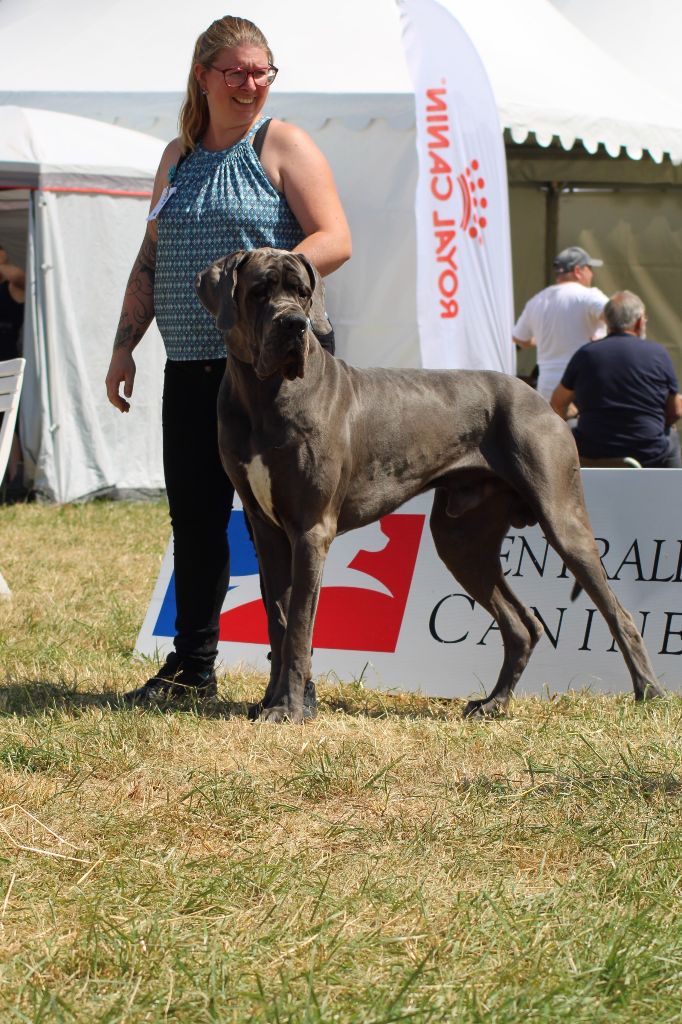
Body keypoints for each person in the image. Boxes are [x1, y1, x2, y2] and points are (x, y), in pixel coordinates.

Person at [105, 15, 351, 707]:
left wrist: (267, 275)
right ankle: (192, 668)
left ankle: (288, 674)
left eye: (261, 73)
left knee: (285, 522)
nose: (250, 85)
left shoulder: (281, 144)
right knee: (195, 516)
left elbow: (336, 236)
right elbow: (154, 256)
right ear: (203, 76)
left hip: (275, 374)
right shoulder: (176, 157)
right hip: (190, 366)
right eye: (236, 72)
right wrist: (125, 345)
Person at [550, 291, 682, 468]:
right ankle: (674, 493)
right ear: (639, 322)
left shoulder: (586, 354)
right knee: (671, 436)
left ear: (606, 321)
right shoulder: (658, 354)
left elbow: (557, 403)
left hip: (591, 454)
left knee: (572, 426)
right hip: (648, 454)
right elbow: (676, 411)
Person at [513, 245, 608, 401]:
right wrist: (604, 340)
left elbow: (519, 339)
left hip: (547, 386)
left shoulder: (537, 300)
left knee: (552, 425)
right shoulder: (589, 296)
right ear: (578, 271)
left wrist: (540, 339)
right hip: (582, 381)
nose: (592, 274)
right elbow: (617, 317)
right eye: (589, 268)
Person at [0, 241, 26, 495]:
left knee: (10, 422)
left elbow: (20, 277)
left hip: (6, 360)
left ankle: (15, 477)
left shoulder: (11, 286)